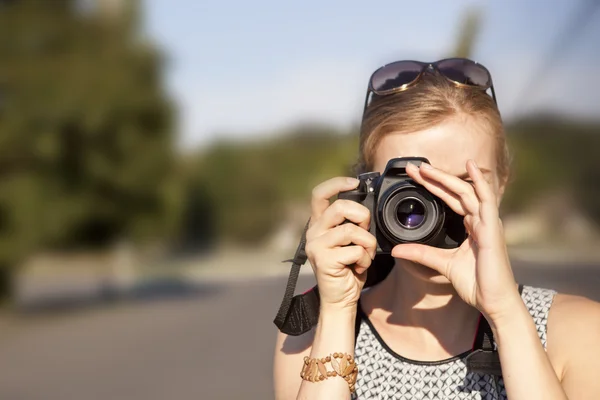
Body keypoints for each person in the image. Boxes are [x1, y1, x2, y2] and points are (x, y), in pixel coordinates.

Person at [273, 58, 600, 399]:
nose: (438, 212)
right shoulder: (309, 335)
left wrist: (505, 314)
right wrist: (338, 311)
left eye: (463, 183)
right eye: (410, 190)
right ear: (366, 192)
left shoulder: (579, 330)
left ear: (501, 185)